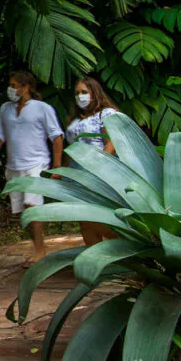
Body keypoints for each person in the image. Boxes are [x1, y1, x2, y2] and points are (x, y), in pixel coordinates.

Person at [0, 70, 64, 264]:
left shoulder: (42, 108)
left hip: (36, 164)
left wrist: (57, 165)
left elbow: (57, 137)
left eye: (13, 85)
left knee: (31, 206)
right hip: (14, 166)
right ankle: (38, 246)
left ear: (25, 87)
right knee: (23, 212)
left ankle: (40, 252)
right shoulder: (5, 109)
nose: (10, 89)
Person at [65, 76, 120, 247]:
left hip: (100, 175)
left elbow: (113, 142)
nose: (80, 96)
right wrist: (64, 172)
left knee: (99, 217)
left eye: (84, 92)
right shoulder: (75, 120)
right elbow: (72, 148)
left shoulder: (105, 114)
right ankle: (95, 258)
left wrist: (99, 165)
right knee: (83, 218)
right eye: (77, 93)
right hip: (77, 176)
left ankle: (123, 249)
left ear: (94, 94)